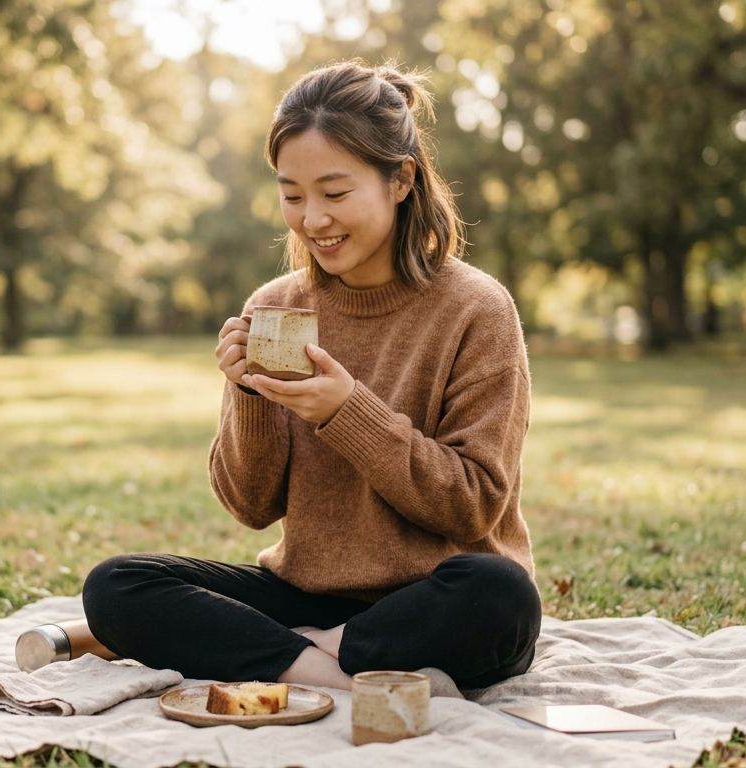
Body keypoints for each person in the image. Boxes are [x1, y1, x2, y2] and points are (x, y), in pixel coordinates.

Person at [82, 60, 540, 691]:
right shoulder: (273, 308)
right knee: (117, 586)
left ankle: (295, 656)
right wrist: (249, 396)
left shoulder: (477, 309)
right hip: (306, 594)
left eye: (334, 192)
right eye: (292, 195)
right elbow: (251, 507)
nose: (312, 219)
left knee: (501, 593)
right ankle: (332, 665)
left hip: (438, 597)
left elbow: (473, 506)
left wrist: (346, 411)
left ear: (400, 179)